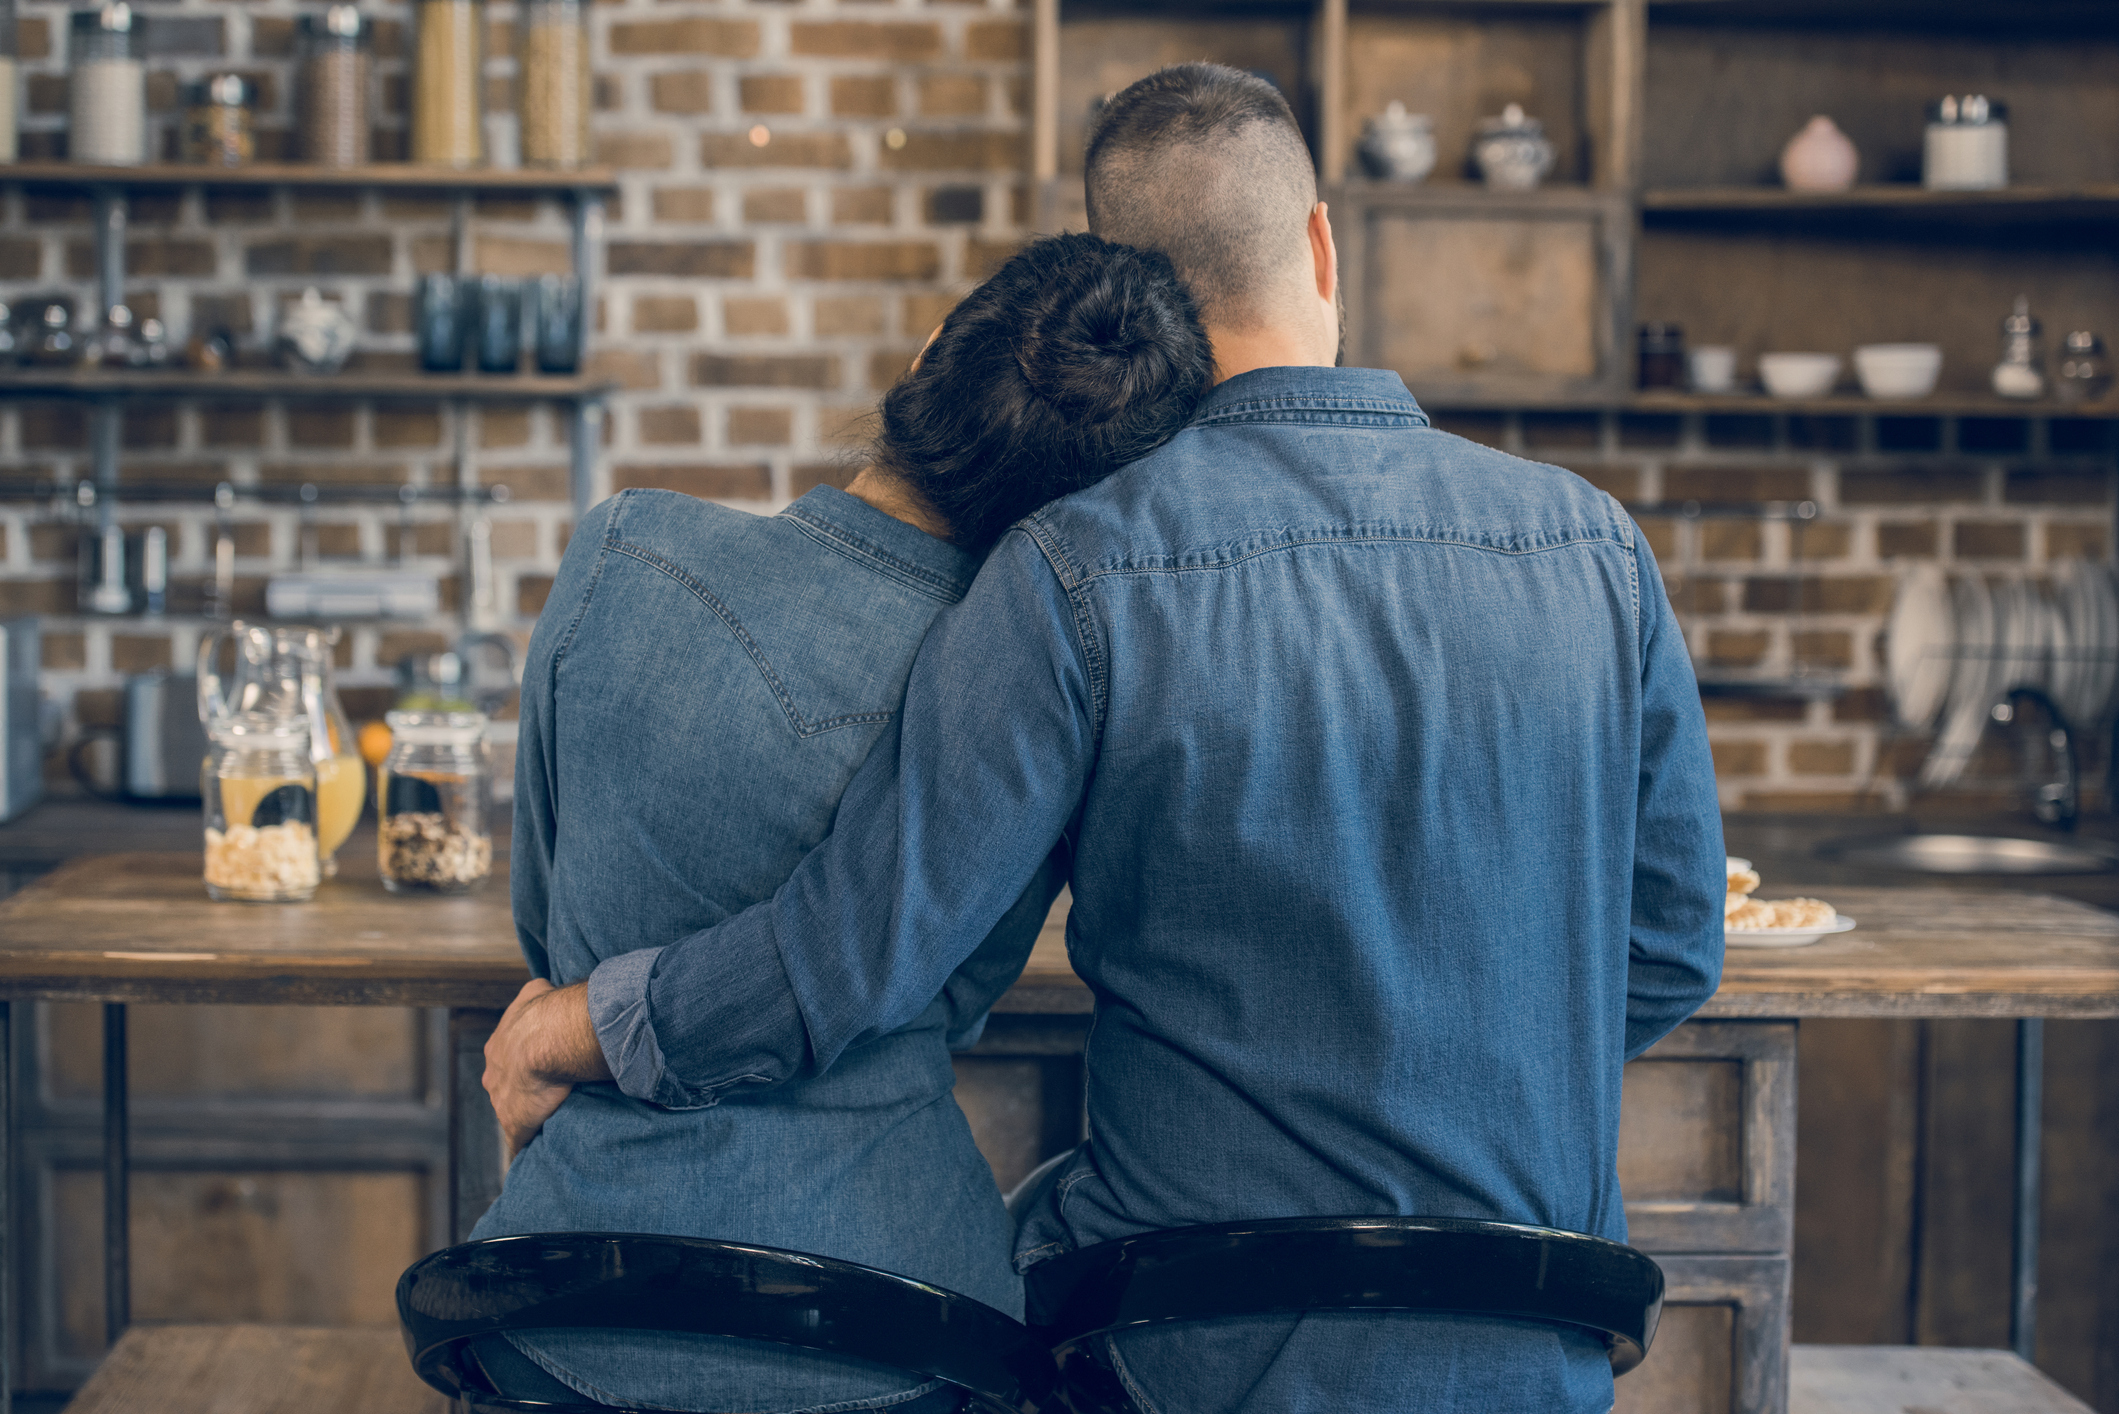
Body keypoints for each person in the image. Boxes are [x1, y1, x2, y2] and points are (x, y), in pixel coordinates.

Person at [484, 63, 1726, 1414]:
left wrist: (577, 1021)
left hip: (1182, 1347)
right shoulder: (1594, 544)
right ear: (1318, 241)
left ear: (1113, 293)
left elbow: (853, 951)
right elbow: (1667, 946)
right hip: (1527, 1349)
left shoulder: (1071, 570)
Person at [466, 231, 1213, 1414]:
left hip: (556, 1307)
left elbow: (543, 922)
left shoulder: (620, 552)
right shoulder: (1038, 690)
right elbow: (950, 985)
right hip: (896, 1323)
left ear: (923, 360)